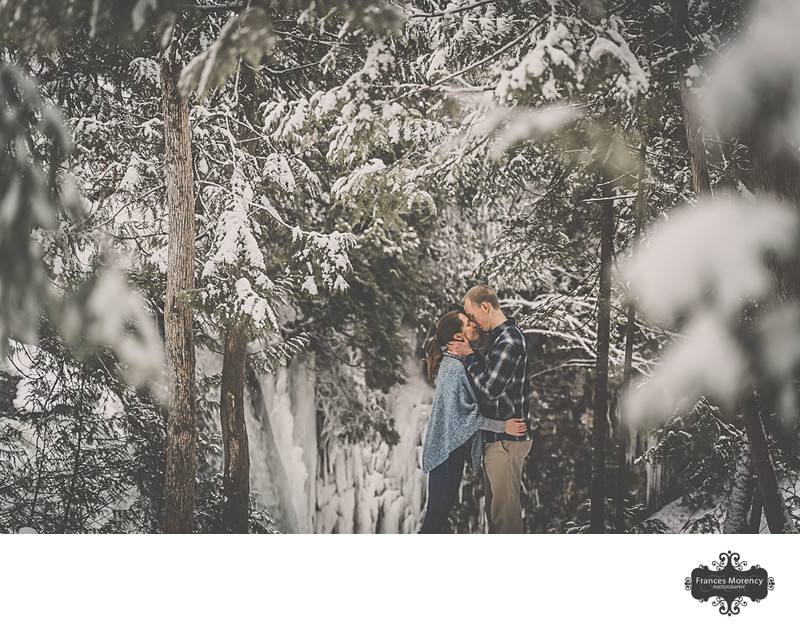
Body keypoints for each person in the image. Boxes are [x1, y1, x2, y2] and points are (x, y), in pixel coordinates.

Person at [420, 309, 526, 534]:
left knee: (441, 518)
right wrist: (502, 426)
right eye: (468, 324)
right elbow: (462, 417)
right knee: (435, 517)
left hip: (451, 451)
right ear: (458, 336)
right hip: (445, 454)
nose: (474, 325)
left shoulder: (461, 361)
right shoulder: (453, 369)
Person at [447, 285, 532, 534]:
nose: (473, 323)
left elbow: (490, 389)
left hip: (506, 441)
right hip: (498, 438)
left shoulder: (509, 341)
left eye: (472, 316)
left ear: (485, 306)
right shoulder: (498, 339)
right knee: (495, 515)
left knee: (505, 518)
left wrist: (469, 355)